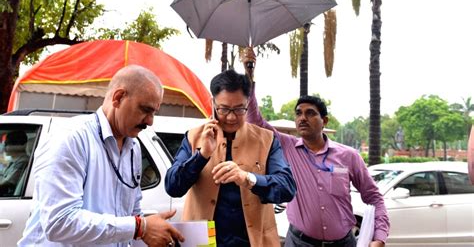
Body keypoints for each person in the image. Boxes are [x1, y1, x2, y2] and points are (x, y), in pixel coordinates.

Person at [19, 65, 185, 247]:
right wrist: (139, 227)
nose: (150, 121)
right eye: (145, 110)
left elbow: (129, 213)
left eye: (154, 112)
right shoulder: (70, 138)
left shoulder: (133, 147)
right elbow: (60, 223)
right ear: (118, 97)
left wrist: (149, 226)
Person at [244, 51, 389, 247]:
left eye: (310, 113)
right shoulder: (287, 147)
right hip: (299, 242)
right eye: (298, 113)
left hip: (343, 243)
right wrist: (249, 77)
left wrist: (379, 237)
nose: (302, 118)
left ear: (324, 121)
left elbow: (374, 197)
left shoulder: (348, 156)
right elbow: (255, 122)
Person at [165, 69, 296, 247]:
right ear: (213, 104)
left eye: (239, 109)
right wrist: (201, 155)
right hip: (204, 241)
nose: (231, 117)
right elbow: (173, 187)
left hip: (253, 241)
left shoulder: (267, 139)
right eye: (224, 109)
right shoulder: (193, 137)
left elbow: (287, 187)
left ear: (248, 103)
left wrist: (248, 178)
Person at [0, 130, 30, 196]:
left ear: (18, 146)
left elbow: (8, 183)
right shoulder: (14, 160)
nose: (4, 147)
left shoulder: (23, 161)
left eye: (7, 144)